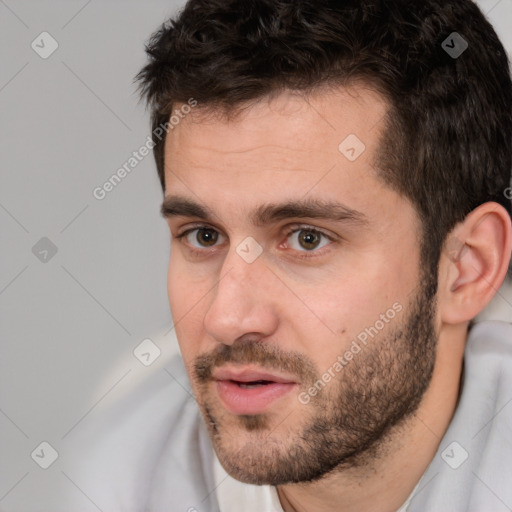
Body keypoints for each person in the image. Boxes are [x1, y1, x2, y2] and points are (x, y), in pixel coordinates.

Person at [69, 1, 512, 511]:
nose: (227, 319)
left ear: (465, 268)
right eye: (203, 235)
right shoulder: (114, 465)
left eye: (306, 239)